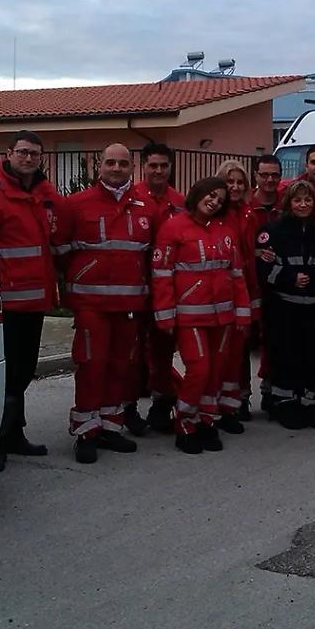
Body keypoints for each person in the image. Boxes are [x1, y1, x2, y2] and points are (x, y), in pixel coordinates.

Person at [53, 144, 156, 463]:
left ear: (131, 167)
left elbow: (150, 256)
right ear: (99, 166)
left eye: (123, 163)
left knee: (119, 366)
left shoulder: (144, 207)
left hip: (128, 305)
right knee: (90, 366)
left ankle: (111, 425)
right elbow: (60, 252)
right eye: (110, 162)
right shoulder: (76, 204)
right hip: (91, 304)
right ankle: (86, 430)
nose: (116, 168)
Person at [0, 131, 64, 474]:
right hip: (7, 303)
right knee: (8, 375)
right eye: (23, 152)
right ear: (9, 153)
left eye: (35, 154)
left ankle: (15, 434)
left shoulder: (46, 194)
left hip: (36, 301)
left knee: (24, 370)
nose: (29, 159)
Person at [153, 177, 251, 454]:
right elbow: (162, 275)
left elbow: (237, 274)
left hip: (223, 317)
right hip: (190, 317)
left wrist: (242, 313)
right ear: (197, 194)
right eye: (211, 195)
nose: (214, 201)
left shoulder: (225, 229)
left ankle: (206, 420)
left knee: (216, 373)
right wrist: (165, 315)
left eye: (220, 199)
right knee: (199, 369)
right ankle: (184, 422)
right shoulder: (173, 227)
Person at [255, 180, 315, 430]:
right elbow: (263, 266)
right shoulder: (273, 230)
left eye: (308, 200)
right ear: (288, 203)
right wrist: (289, 278)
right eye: (298, 200)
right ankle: (284, 403)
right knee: (286, 356)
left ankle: (311, 403)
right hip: (284, 307)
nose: (303, 204)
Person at [132, 142, 186, 432]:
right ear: (144, 166)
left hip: (167, 288)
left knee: (164, 349)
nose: (159, 171)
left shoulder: (180, 202)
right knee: (132, 349)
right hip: (134, 287)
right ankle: (127, 406)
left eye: (164, 166)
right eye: (153, 165)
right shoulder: (131, 197)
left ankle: (162, 404)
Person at [216, 159, 260, 428]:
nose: (234, 187)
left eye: (239, 183)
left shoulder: (249, 214)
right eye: (229, 181)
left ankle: (240, 398)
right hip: (220, 289)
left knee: (240, 348)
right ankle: (216, 398)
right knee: (218, 348)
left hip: (246, 286)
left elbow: (251, 254)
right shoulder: (213, 213)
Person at [248, 154, 284, 412]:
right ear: (256, 176)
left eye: (275, 175)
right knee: (245, 342)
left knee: (274, 339)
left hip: (282, 284)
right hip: (250, 283)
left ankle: (270, 389)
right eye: (265, 175)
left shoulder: (289, 204)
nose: (270, 180)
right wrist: (254, 253)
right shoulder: (245, 206)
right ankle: (238, 398)